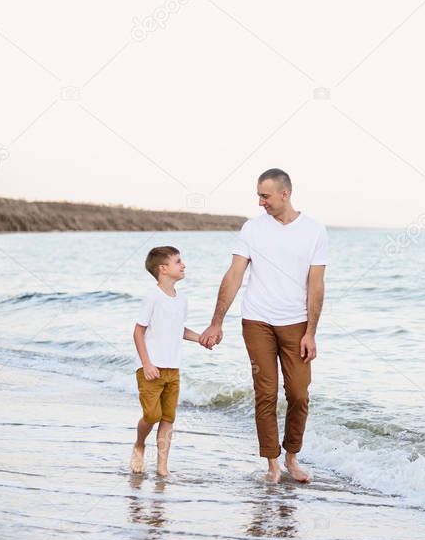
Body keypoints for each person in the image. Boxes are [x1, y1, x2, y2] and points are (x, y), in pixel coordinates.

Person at [200, 168, 327, 483]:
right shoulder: (252, 229)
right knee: (266, 392)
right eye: (258, 195)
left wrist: (311, 332)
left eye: (265, 196)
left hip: (296, 323)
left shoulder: (314, 231)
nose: (260, 202)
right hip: (257, 320)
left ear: (285, 194)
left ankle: (292, 457)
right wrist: (216, 322)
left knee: (299, 394)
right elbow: (234, 276)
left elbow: (316, 284)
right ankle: (272, 464)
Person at [131, 246, 208, 477]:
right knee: (152, 416)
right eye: (178, 262)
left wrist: (200, 339)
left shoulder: (181, 299)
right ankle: (139, 444)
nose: (183, 265)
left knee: (167, 419)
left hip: (173, 368)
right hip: (150, 369)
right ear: (163, 269)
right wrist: (146, 363)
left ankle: (162, 467)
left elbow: (178, 329)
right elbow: (138, 332)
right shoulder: (152, 296)